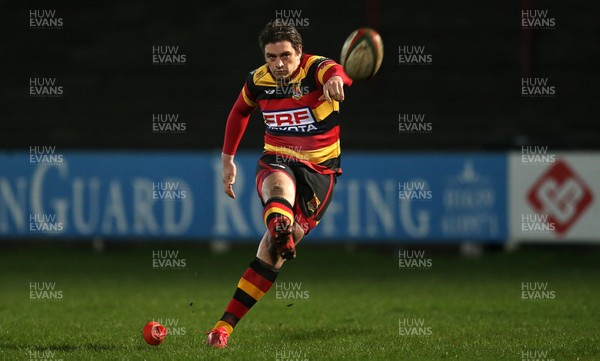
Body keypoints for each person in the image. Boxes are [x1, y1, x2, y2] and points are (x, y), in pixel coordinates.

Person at [206, 19, 352, 348]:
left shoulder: (315, 68)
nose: (279, 64)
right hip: (278, 156)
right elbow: (239, 112)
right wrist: (228, 159)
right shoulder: (259, 80)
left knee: (272, 253)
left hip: (320, 170)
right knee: (278, 190)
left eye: (285, 55)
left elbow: (338, 72)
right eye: (271, 57)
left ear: (299, 52)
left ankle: (281, 233)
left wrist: (335, 81)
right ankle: (222, 329)